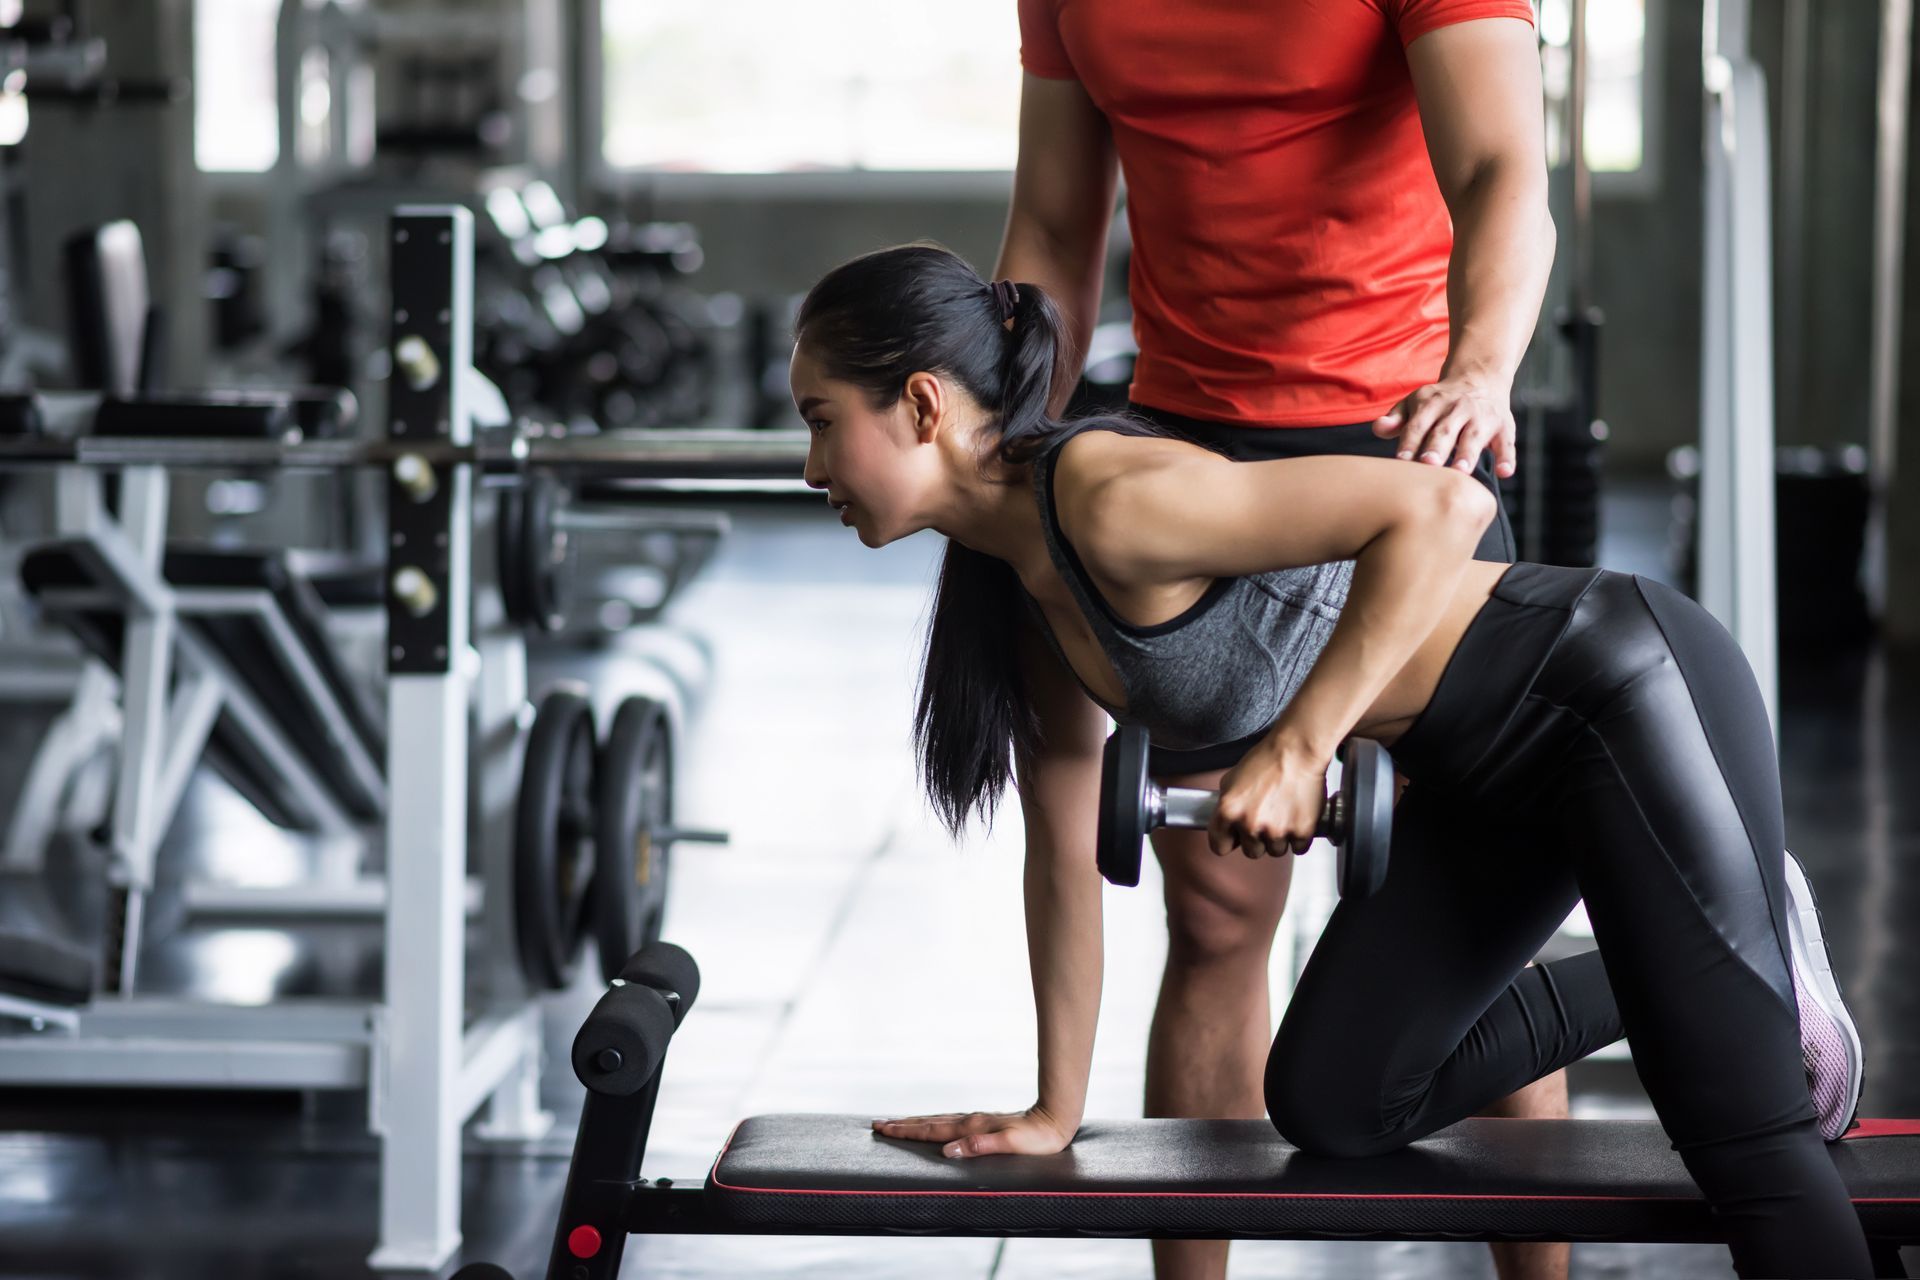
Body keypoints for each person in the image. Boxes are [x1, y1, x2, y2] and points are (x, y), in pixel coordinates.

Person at [794, 245, 1872, 1279]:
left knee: (1751, 1141)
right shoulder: (1017, 584)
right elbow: (1065, 851)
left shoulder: (1105, 494)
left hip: (1612, 690)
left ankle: (1728, 958)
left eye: (821, 421)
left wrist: (1301, 746)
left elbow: (1445, 506)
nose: (810, 467)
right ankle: (1717, 951)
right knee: (1339, 1098)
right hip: (1483, 785)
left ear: (924, 405)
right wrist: (1051, 1109)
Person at [997, 3, 1558, 1275]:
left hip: (1412, 447)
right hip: (1191, 447)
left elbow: (1500, 168)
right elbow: (1050, 236)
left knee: (1480, 929)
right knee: (1212, 914)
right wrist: (997, 445)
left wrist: (1478, 368)